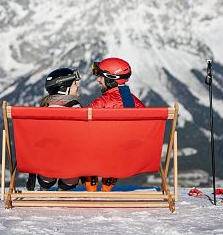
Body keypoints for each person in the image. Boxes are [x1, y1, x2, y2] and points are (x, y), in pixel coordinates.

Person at [83, 57, 145, 192]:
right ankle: (107, 185)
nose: (97, 80)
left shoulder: (101, 103)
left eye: (100, 76)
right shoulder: (137, 104)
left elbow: (81, 126)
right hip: (128, 156)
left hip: (100, 156)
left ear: (111, 79)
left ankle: (91, 185)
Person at [26, 67, 81, 191]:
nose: (78, 84)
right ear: (64, 89)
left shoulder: (41, 112)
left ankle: (45, 185)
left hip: (45, 167)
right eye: (74, 83)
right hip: (70, 169)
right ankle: (64, 187)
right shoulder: (78, 111)